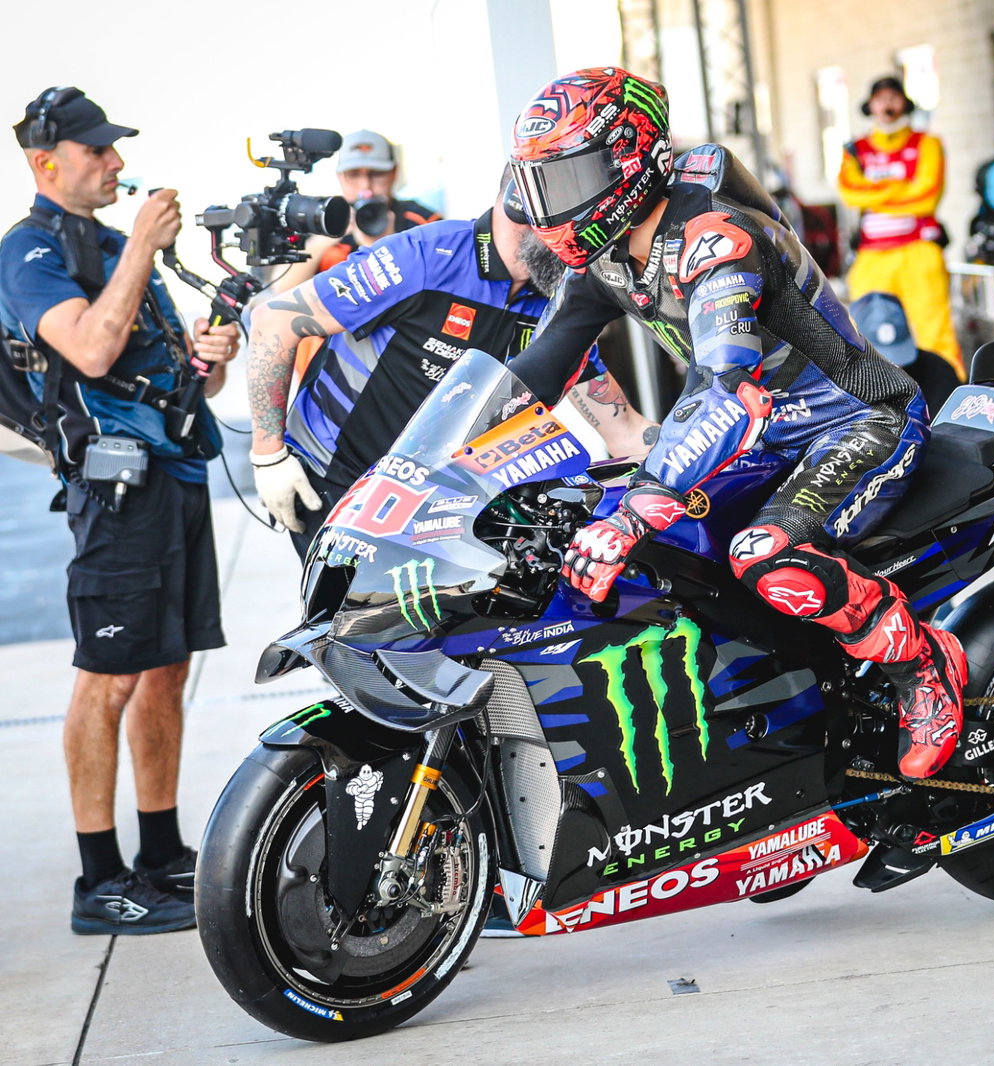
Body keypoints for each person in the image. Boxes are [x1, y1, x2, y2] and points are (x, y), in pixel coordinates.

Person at [505, 67, 966, 779]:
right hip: (766, 433)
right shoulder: (607, 258)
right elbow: (538, 368)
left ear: (629, 161)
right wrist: (439, 458)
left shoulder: (717, 240)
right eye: (543, 186)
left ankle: (922, 664)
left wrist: (630, 516)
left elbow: (728, 392)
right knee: (666, 553)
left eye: (569, 180)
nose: (551, 208)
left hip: (854, 421)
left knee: (760, 554)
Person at [0, 87, 240, 934]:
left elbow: (160, 366)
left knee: (166, 667)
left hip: (173, 473)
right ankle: (98, 881)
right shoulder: (28, 252)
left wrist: (211, 356)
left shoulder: (108, 243)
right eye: (98, 152)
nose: (116, 165)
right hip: (115, 493)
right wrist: (141, 244)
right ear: (46, 162)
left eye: (114, 150)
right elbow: (93, 347)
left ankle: (160, 853)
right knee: (108, 677)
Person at [247, 169, 656, 558]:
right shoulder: (423, 256)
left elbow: (622, 427)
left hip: (429, 500)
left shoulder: (554, 300)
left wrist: (697, 467)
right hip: (333, 478)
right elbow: (274, 321)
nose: (573, 247)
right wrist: (268, 455)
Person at [837, 76, 963, 380]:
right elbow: (849, 191)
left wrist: (876, 192)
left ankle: (951, 397)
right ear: (870, 106)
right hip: (871, 257)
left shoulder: (928, 143)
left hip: (918, 250)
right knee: (866, 334)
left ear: (904, 103)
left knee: (935, 332)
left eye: (893, 97)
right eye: (880, 99)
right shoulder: (855, 149)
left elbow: (926, 196)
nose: (887, 105)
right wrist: (901, 188)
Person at [267, 129, 441, 293]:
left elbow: (443, 281)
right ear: (340, 177)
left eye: (376, 173)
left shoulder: (423, 221)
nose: (366, 186)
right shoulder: (319, 217)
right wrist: (327, 235)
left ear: (394, 173)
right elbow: (282, 288)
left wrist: (385, 246)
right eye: (354, 175)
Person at [851, 292, 960, 415]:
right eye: (880, 360)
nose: (893, 368)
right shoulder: (839, 384)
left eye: (898, 358)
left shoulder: (938, 371)